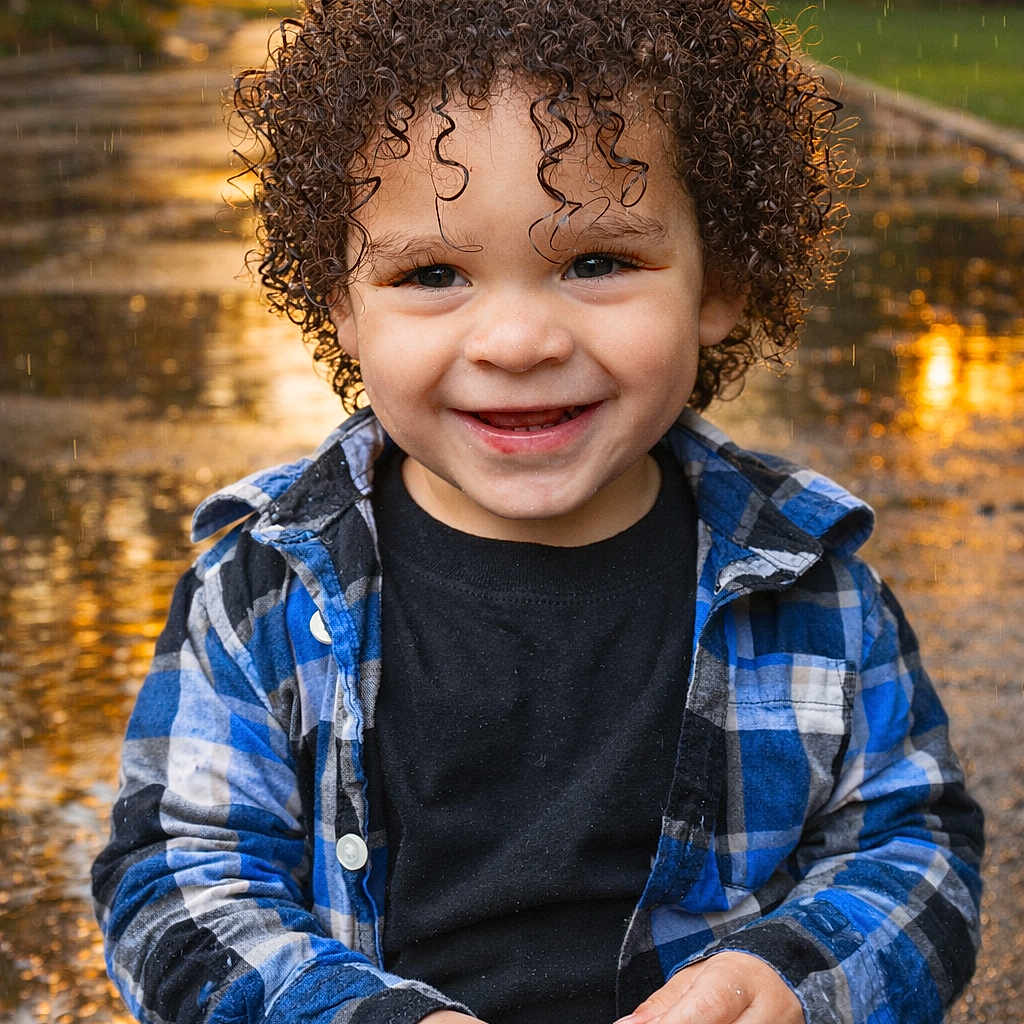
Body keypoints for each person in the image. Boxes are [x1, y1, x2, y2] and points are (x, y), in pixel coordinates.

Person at [91, 1, 984, 1022]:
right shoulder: (259, 591)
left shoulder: (810, 582)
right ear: (341, 305)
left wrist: (794, 977)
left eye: (595, 262)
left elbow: (914, 847)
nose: (515, 340)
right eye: (432, 274)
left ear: (720, 281)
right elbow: (173, 884)